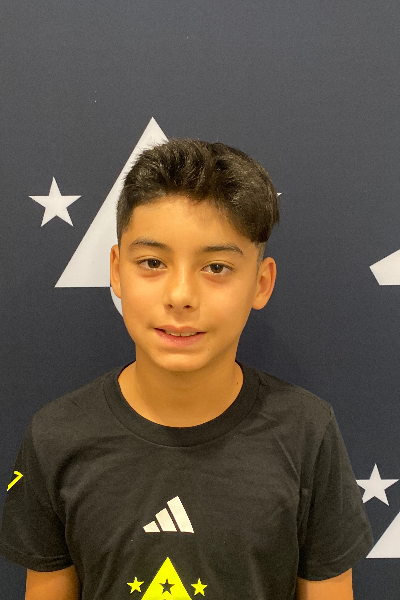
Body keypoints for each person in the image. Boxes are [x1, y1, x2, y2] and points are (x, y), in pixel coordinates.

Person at [0, 139, 373, 600]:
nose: (180, 296)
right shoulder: (55, 436)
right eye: (152, 263)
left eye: (216, 267)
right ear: (116, 270)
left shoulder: (307, 432)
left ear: (261, 283)